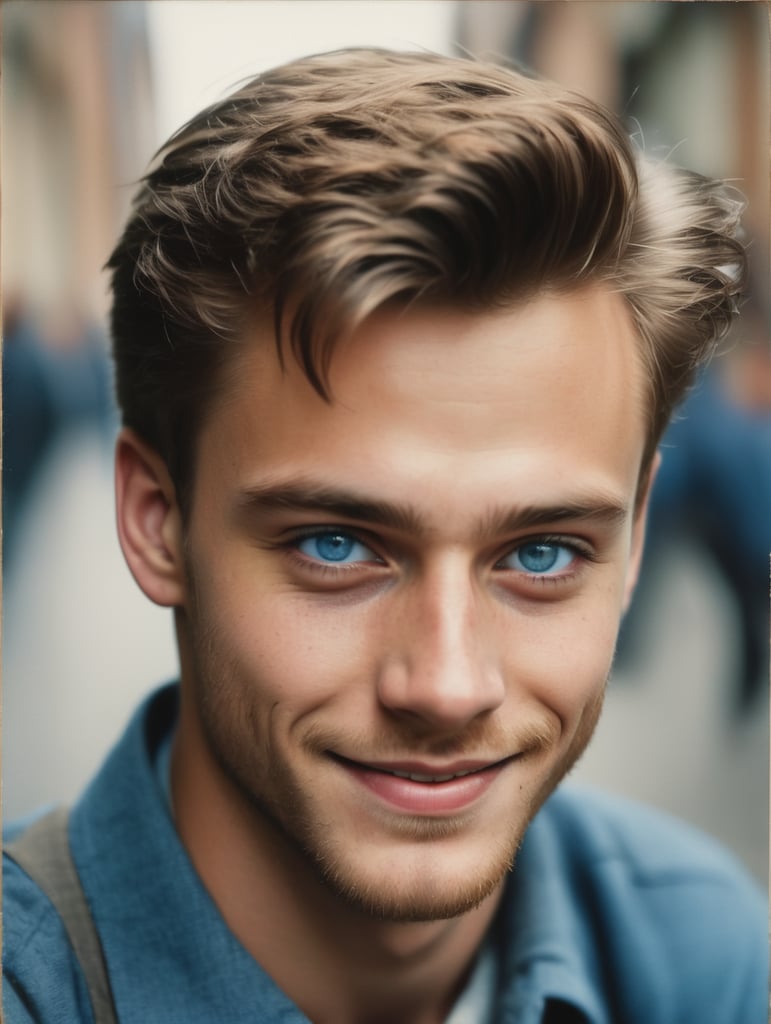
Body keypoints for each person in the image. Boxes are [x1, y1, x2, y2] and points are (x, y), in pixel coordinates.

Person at [3, 49, 766, 1024]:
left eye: (542, 553)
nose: (447, 686)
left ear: (638, 536)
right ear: (159, 522)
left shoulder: (711, 960)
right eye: (335, 544)